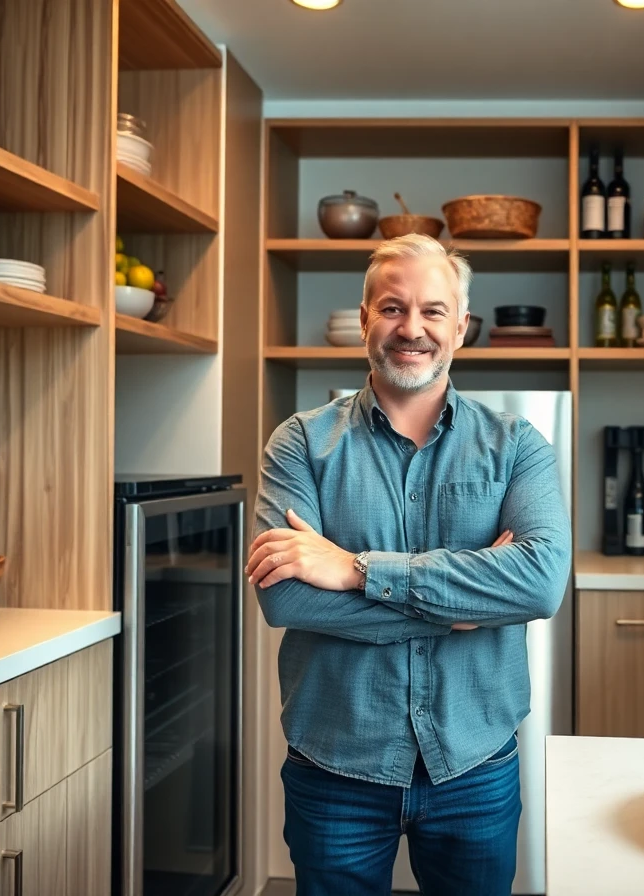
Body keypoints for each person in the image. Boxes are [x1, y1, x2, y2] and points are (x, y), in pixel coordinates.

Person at [246, 233, 572, 896]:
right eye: (392, 308)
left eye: (431, 310)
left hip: (474, 765)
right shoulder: (299, 444)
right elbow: (287, 600)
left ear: (460, 325)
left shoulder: (517, 446)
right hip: (335, 764)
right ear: (365, 319)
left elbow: (539, 584)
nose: (411, 328)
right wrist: (463, 608)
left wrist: (356, 570)